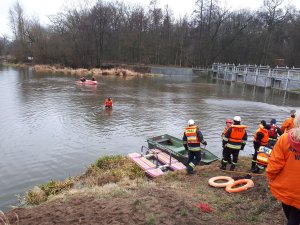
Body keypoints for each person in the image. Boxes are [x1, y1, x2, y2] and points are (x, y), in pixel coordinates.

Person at [266, 113, 300, 225]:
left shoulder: (285, 139)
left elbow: (274, 165)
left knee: (291, 216)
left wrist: (271, 179)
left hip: (287, 188)